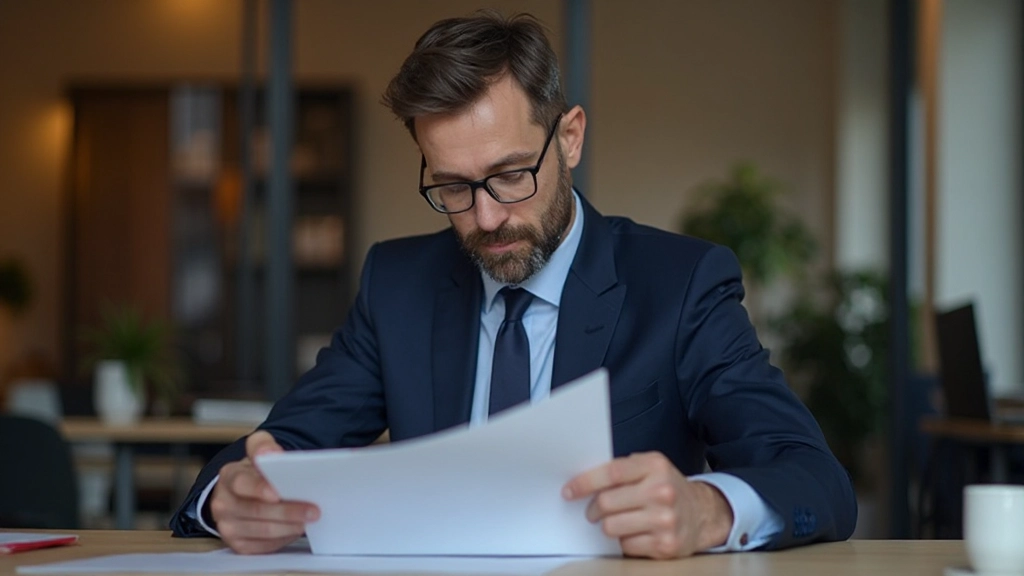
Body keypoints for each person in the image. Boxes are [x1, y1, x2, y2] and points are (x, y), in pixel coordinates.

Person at [171, 11, 857, 559]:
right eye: (452, 187)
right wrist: (229, 498)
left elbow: (814, 477)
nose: (488, 216)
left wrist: (706, 511)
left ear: (570, 139)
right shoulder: (398, 285)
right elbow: (271, 451)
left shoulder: (680, 285)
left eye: (509, 174)